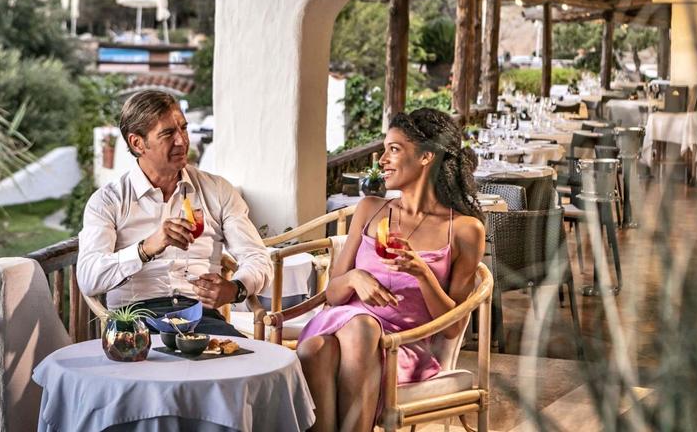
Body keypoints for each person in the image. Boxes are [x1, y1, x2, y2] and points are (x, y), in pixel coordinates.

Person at [297, 108, 487, 431]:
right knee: (333, 340)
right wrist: (357, 278)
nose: (381, 160)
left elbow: (452, 329)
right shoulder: (370, 209)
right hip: (343, 325)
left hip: (402, 347)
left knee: (329, 346)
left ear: (427, 156)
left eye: (394, 149)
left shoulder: (465, 230)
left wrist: (422, 273)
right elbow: (331, 293)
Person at [78, 90, 272, 336]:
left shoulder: (218, 191)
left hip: (202, 320)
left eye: (183, 128)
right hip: (136, 324)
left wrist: (236, 289)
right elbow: (89, 277)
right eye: (168, 133)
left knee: (249, 368)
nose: (182, 141)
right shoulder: (108, 201)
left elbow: (257, 257)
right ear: (137, 143)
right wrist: (145, 249)